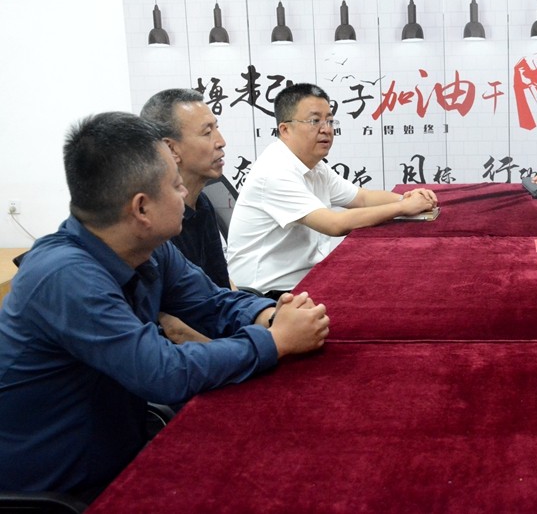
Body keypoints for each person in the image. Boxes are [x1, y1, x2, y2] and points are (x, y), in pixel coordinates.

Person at [0, 112, 330, 501]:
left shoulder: (148, 248)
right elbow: (162, 372)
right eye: (175, 185)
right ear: (141, 209)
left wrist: (272, 316)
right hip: (63, 493)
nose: (184, 193)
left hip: (125, 453)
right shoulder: (64, 276)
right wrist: (274, 341)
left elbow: (212, 302)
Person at [226, 83, 438, 296]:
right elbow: (334, 224)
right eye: (314, 121)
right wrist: (402, 207)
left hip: (304, 278)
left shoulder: (313, 165)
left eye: (329, 120)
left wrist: (406, 198)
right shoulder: (274, 171)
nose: (326, 129)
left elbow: (362, 197)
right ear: (285, 130)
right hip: (268, 292)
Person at [140, 88, 230, 289]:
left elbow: (218, 286)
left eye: (216, 128)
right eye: (207, 133)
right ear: (170, 149)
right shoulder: (153, 222)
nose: (221, 142)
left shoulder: (202, 202)